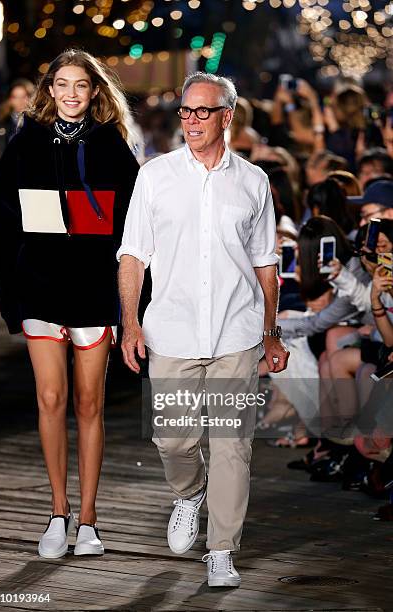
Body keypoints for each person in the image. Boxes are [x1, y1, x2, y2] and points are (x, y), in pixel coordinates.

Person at [118, 71, 289, 587]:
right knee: (173, 441)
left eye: (202, 111)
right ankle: (190, 494)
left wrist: (271, 331)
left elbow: (265, 264)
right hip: (171, 330)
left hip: (236, 334)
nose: (190, 120)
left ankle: (221, 551)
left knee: (233, 444)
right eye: (186, 112)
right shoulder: (155, 176)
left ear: (227, 116)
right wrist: (130, 323)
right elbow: (132, 255)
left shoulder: (254, 182)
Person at [0, 49, 139, 559]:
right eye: (62, 84)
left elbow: (133, 231)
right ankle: (58, 512)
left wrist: (129, 305)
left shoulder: (113, 147)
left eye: (81, 85)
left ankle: (90, 521)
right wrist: (12, 292)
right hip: (41, 289)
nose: (71, 93)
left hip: (93, 292)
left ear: (95, 92)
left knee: (89, 403)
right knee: (50, 400)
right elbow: (1, 222)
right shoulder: (25, 142)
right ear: (49, 90)